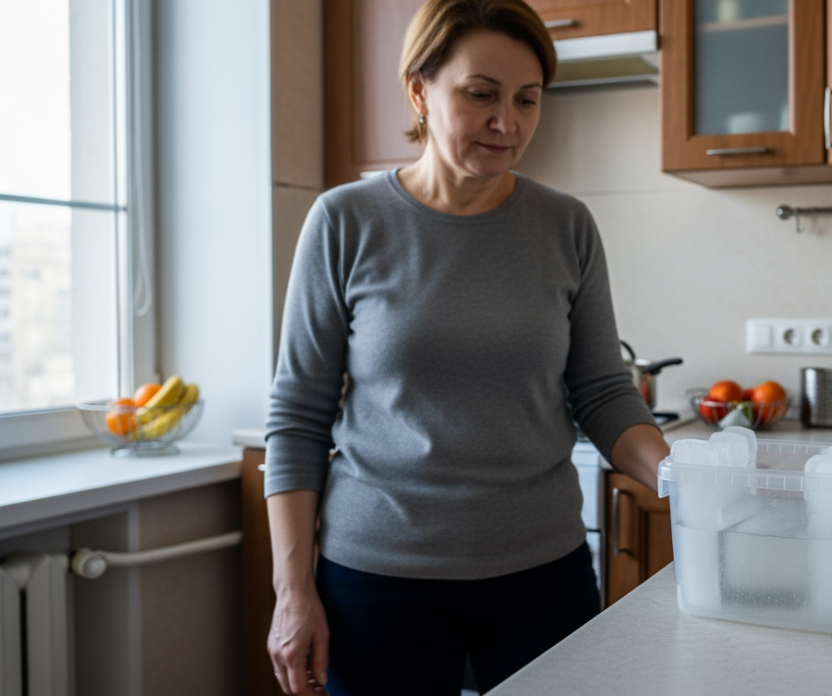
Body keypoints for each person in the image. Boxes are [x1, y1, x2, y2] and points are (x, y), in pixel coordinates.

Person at [261, 1, 669, 694]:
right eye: (481, 95)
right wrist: (293, 590)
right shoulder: (345, 221)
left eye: (527, 100)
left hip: (544, 576)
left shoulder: (566, 226)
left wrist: (690, 480)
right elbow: (298, 416)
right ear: (420, 90)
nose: (507, 123)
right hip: (378, 582)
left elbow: (602, 393)